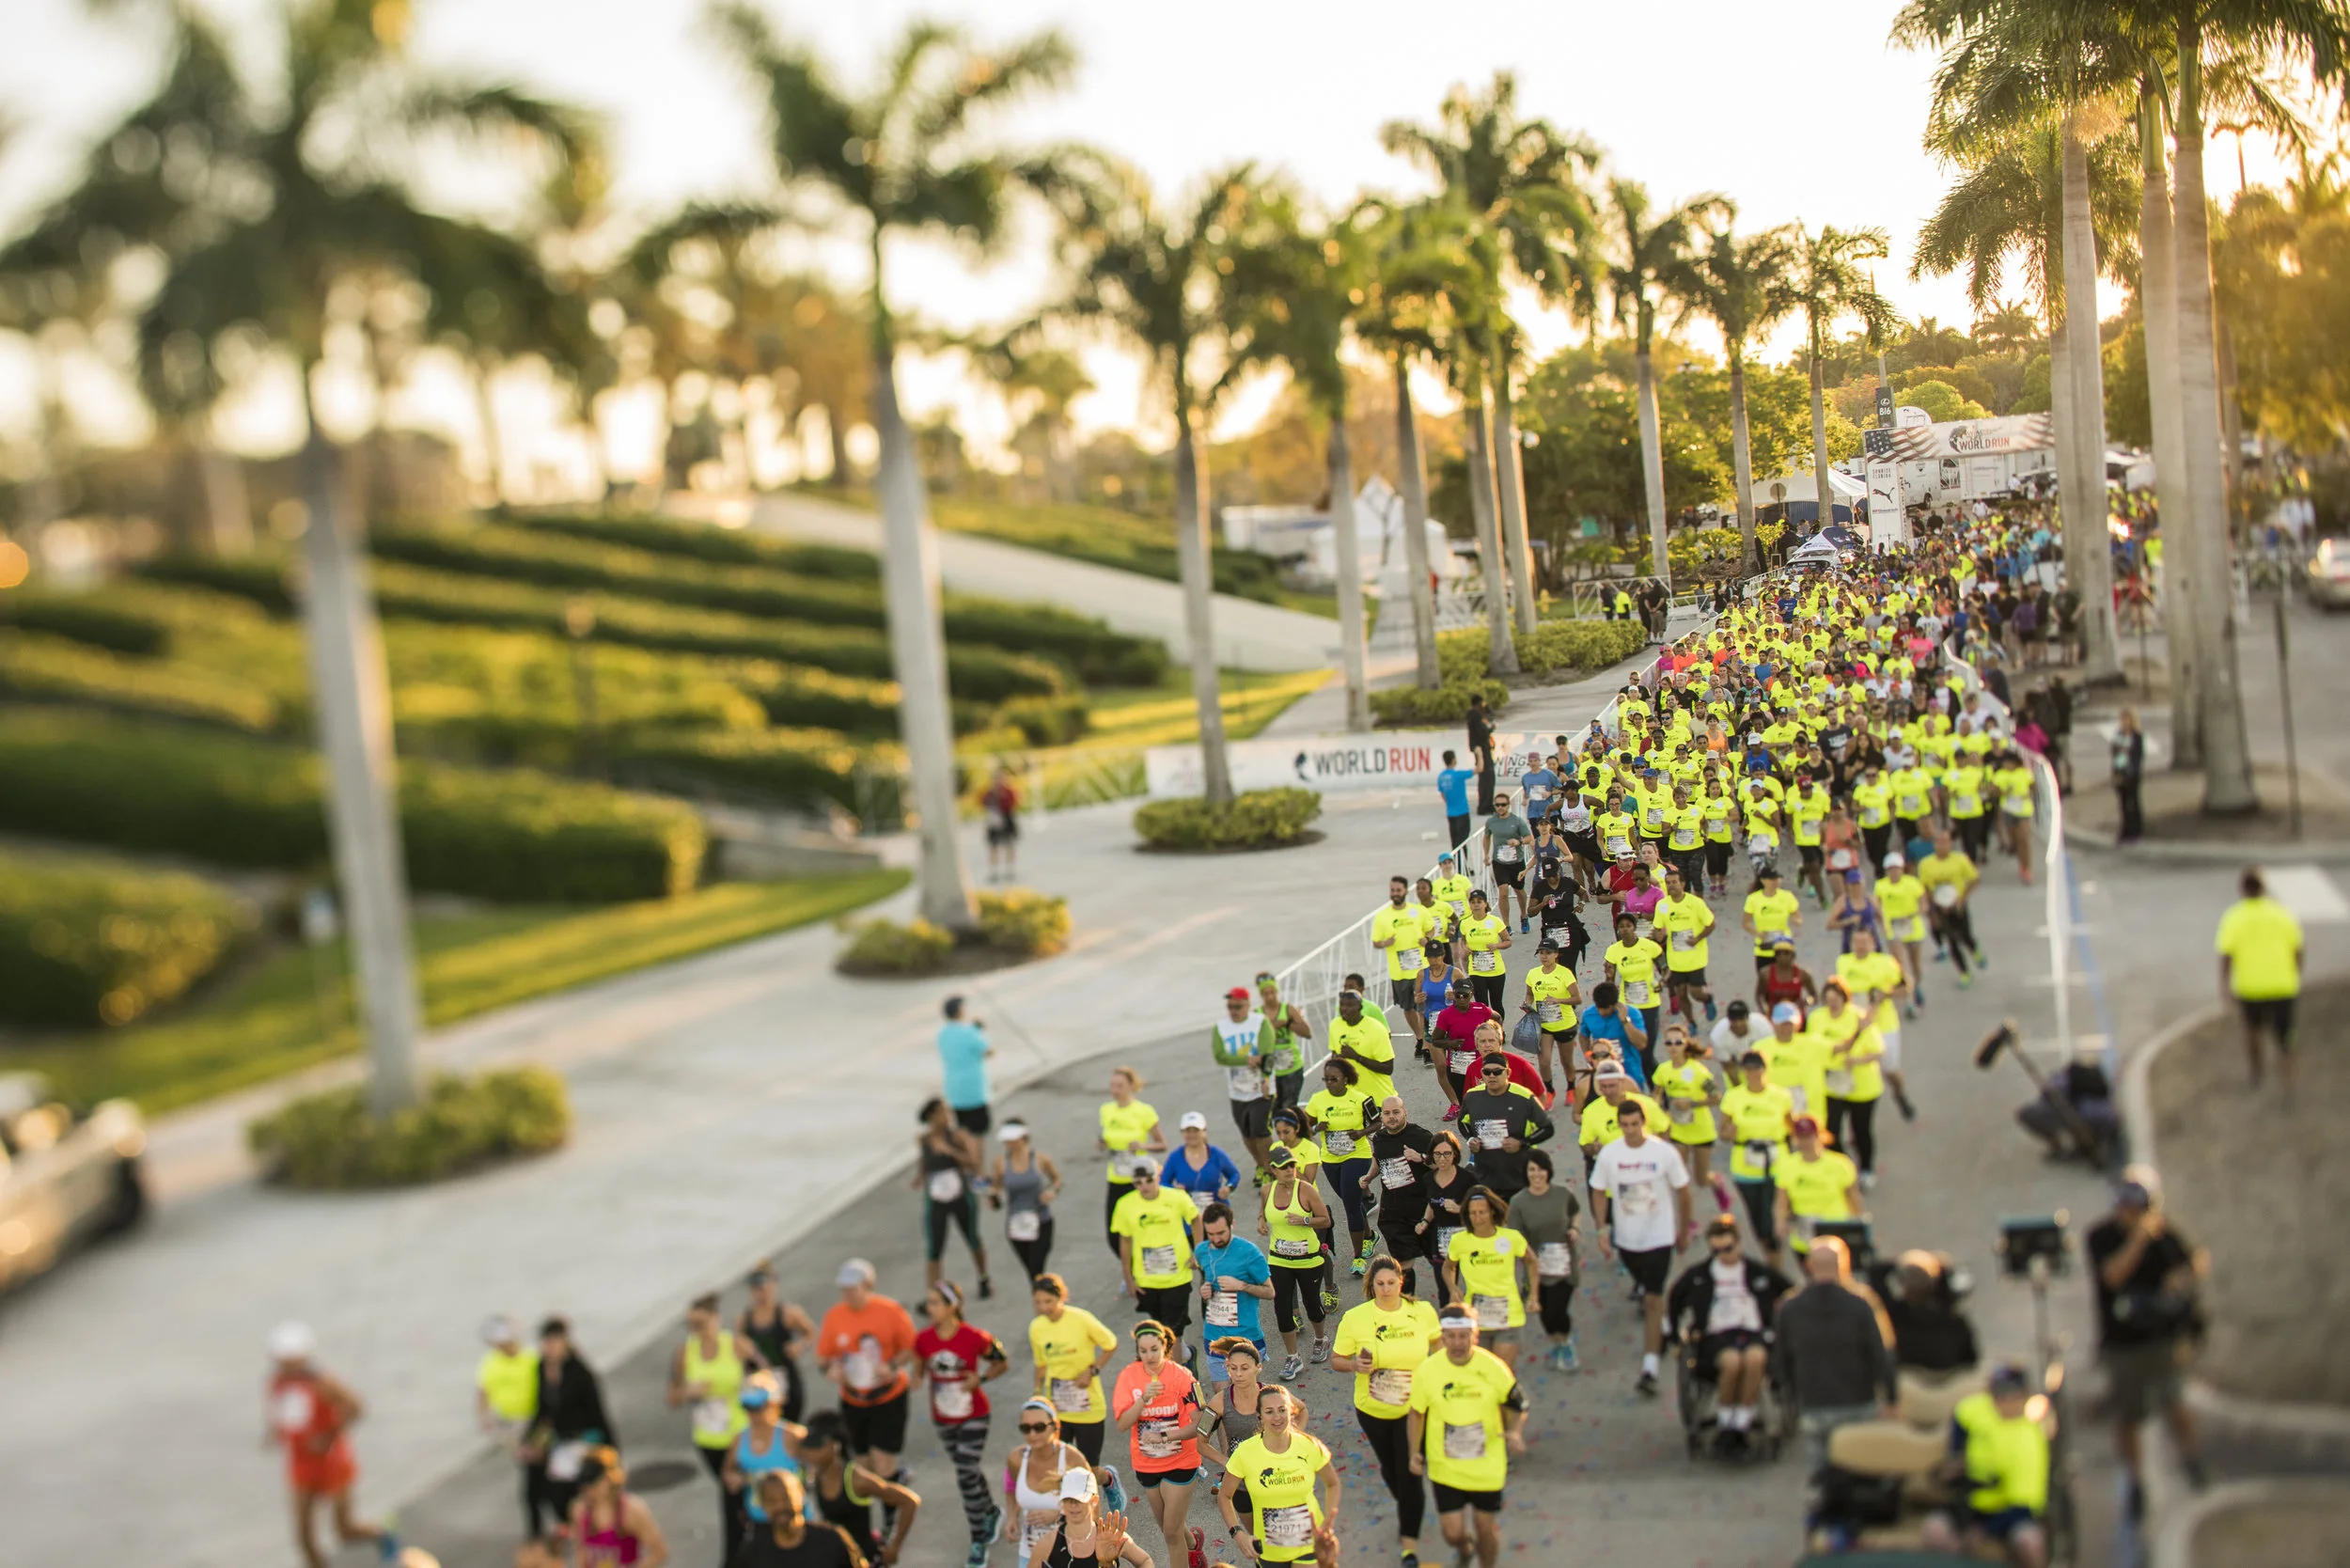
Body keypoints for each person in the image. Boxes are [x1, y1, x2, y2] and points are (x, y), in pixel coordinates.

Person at [2087, 1168, 2209, 1518]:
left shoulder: (2165, 1235)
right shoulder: (2102, 1237)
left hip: (2160, 1339)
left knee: (2175, 1401)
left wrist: (2179, 1281)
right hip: (2122, 1343)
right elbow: (2112, 1276)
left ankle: (2191, 1458)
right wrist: (2139, 1240)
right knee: (2128, 1414)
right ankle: (2135, 1480)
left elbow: (2194, 1261)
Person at [1327, 1255, 1442, 1561]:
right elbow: (1337, 1359)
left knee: (1410, 1470)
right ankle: (1408, 1502)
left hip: (1415, 1410)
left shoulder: (1422, 1312)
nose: (1386, 1288)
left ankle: (1410, 1546)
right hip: (1373, 1410)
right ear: (1371, 1285)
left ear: (1401, 1281)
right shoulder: (1356, 1318)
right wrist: (1355, 1364)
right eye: (1380, 1283)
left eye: (1392, 1282)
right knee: (1392, 1469)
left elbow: (1439, 1348)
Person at [263, 1321, 400, 1568]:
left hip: (332, 1462)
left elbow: (357, 1408)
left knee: (344, 1530)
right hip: (301, 1464)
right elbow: (280, 1413)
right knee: (304, 1535)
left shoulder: (322, 1382)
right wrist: (275, 1432)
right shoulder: (277, 1383)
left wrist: (328, 1436)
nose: (286, 1367)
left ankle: (382, 1535)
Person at [1404, 1305, 1528, 1568]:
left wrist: (1515, 1432)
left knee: (1486, 1528)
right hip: (1445, 1466)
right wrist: (1415, 1452)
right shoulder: (1428, 1370)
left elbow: (1518, 1405)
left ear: (1475, 1335)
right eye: (1451, 1336)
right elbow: (1416, 1413)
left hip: (1486, 1464)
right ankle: (1464, 1547)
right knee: (1452, 1533)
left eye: (1463, 1336)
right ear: (1443, 1337)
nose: (1457, 1343)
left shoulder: (1494, 1368)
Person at [1587, 1100, 1694, 1395]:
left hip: (1659, 1237)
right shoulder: (1610, 1154)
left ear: (1643, 1123)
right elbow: (1597, 1190)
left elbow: (1683, 1193)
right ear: (1620, 1125)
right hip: (1628, 1241)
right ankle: (1667, 1324)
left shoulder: (1663, 1152)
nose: (1631, 1131)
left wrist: (1683, 1232)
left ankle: (1650, 1368)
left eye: (1636, 1124)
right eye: (1626, 1125)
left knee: (1651, 1298)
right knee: (1647, 1289)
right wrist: (1601, 1229)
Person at [1664, 1215, 1794, 1455]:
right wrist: (1673, 1338)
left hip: (1753, 1332)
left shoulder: (1757, 1272)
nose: (1722, 1255)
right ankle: (1727, 1423)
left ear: (1738, 1244)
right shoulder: (1699, 1275)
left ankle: (1741, 1423)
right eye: (1716, 1251)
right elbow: (1674, 1301)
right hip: (1716, 1336)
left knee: (1755, 1359)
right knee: (1732, 1362)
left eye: (1727, 1248)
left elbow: (1791, 1293)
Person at [1772, 1235, 1897, 1474]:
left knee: (1823, 1471)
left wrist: (1787, 1392)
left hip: (1814, 1403)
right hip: (1858, 1402)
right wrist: (1891, 1397)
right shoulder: (1861, 1304)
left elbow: (1781, 1358)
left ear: (1809, 1265)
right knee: (1858, 1468)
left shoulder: (1790, 1307)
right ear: (1845, 1264)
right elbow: (1880, 1352)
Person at [1919, 1364, 2053, 1568]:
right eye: (1997, 1394)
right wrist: (1955, 1461)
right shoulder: (1975, 1410)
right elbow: (1961, 1420)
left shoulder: (2030, 1436)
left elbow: (2025, 1505)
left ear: (2023, 1396)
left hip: (2009, 1513)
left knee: (2030, 1542)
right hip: (1969, 1504)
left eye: (2009, 1395)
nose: (2001, 1401)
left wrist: (1985, 1530)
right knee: (1934, 1530)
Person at [916, 1280, 1010, 1567]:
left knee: (965, 1471)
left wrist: (980, 1378)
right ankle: (991, 1511)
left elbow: (1001, 1361)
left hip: (974, 1414)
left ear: (951, 1306)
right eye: (929, 1302)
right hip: (943, 1417)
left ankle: (978, 1538)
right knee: (968, 1471)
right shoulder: (923, 1339)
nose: (929, 1308)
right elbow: (918, 1369)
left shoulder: (974, 1337)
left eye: (935, 1303)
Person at [813, 1261, 916, 1515]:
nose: (847, 1295)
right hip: (853, 1401)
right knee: (862, 1464)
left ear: (868, 1286)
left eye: (853, 1288)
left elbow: (910, 1347)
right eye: (844, 1289)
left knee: (883, 1461)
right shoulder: (836, 1316)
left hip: (888, 1397)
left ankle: (892, 1514)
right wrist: (830, 1371)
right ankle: (870, 1512)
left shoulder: (889, 1311)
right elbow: (823, 1356)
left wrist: (891, 1366)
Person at [671, 1291, 768, 1548]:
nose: (696, 1331)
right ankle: (750, 1544)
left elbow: (768, 1377)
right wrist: (686, 1392)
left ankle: (743, 1550)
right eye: (691, 1326)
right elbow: (672, 1397)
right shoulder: (685, 1353)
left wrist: (751, 1391)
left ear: (716, 1320)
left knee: (736, 1494)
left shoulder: (736, 1345)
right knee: (734, 1493)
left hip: (739, 1434)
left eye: (700, 1324)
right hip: (708, 1438)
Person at [1111, 1321, 1205, 1568]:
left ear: (1165, 1345)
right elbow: (1121, 1424)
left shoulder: (1182, 1376)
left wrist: (1166, 1437)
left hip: (1181, 1461)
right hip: (1146, 1464)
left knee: (1171, 1534)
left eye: (1154, 1349)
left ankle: (1188, 1556)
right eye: (1143, 1351)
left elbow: (1201, 1425)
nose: (1149, 1356)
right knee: (1166, 1524)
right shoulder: (1128, 1377)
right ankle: (1193, 1546)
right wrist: (1144, 1398)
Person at [1214, 1384, 1340, 1566]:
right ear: (1259, 1415)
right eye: (1269, 1411)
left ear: (1291, 1411)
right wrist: (1238, 1533)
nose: (1277, 1417)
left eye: (1282, 1410)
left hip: (1310, 1542)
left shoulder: (1309, 1445)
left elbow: (1333, 1483)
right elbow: (1224, 1496)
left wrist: (1328, 1521)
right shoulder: (1245, 1452)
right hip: (1269, 1551)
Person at [522, 1315, 616, 1541]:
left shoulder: (580, 1374)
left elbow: (598, 1414)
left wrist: (610, 1449)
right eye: (546, 1343)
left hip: (582, 1438)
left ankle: (581, 1528)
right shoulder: (541, 1368)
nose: (550, 1348)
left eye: (554, 1343)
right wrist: (531, 1440)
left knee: (576, 1490)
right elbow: (541, 1410)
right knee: (539, 1485)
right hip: (557, 1439)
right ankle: (542, 1535)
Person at [2216, 866, 2305, 1087]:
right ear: (2265, 888)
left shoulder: (2233, 917)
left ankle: (2257, 1073)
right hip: (2283, 985)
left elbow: (2226, 955)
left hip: (2250, 986)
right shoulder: (2283, 914)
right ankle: (2288, 1076)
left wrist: (2224, 986)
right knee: (2285, 1035)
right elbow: (2298, 949)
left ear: (2242, 890)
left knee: (2252, 1030)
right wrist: (2295, 973)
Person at [796, 1410, 920, 1566]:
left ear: (836, 1446)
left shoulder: (857, 1480)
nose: (809, 1455)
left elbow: (909, 1501)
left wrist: (894, 1548)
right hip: (835, 1559)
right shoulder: (814, 1474)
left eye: (816, 1448)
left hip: (863, 1560)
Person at [1001, 1399, 1110, 1567]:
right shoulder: (1016, 1459)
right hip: (1029, 1553)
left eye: (1039, 1427)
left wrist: (1059, 1514)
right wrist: (1012, 1518)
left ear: (1055, 1425)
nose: (1032, 1434)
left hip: (1067, 1558)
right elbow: (1011, 1489)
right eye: (1026, 1428)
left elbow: (1093, 1509)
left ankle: (1110, 1479)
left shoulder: (1072, 1459)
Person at [1258, 1144, 1334, 1379]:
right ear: (1273, 1169)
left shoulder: (1307, 1190)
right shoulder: (1266, 1190)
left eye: (1291, 1165)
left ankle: (1321, 1339)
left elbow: (1326, 1221)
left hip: (1308, 1259)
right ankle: (1293, 1357)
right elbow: (1264, 1212)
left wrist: (1304, 1220)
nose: (1289, 1170)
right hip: (1279, 1259)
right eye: (1283, 1167)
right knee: (1282, 1310)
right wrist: (1261, 1221)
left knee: (1312, 1304)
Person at [1029, 1273, 1120, 1465]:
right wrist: (1038, 1397)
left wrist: (1092, 1370)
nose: (1044, 1307)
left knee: (1090, 1467)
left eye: (1049, 1301)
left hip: (1088, 1406)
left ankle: (1109, 1480)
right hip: (1058, 1408)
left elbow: (1110, 1344)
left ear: (1061, 1296)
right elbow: (1041, 1365)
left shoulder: (1081, 1319)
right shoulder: (1036, 1327)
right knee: (1060, 1465)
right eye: (1038, 1302)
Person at [1113, 1163, 1204, 1354]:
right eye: (1138, 1183)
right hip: (1148, 1279)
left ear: (1158, 1175)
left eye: (1149, 1180)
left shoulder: (1176, 1197)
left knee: (1173, 1334)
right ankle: (1186, 1357)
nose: (1144, 1186)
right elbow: (1125, 1240)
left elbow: (1196, 1219)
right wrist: (1128, 1278)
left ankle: (1179, 1380)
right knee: (1158, 1332)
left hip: (1177, 1276)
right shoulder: (1125, 1204)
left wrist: (1198, 1252)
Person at [1443, 1185, 1535, 1369]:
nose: (1477, 1218)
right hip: (1476, 1318)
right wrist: (1453, 1288)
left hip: (1508, 1317)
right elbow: (1448, 1267)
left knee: (1502, 1372)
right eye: (1473, 1213)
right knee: (1480, 1370)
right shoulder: (1460, 1241)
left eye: (1482, 1212)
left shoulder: (1510, 1238)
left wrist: (1534, 1294)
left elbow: (1531, 1261)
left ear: (1492, 1211)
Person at [1508, 1149, 1583, 1372]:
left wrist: (1575, 1229)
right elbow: (1515, 1235)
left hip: (1564, 1265)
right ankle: (1557, 1342)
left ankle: (1565, 1344)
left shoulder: (1561, 1194)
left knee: (1557, 1310)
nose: (1536, 1174)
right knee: (1544, 1313)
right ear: (1526, 1173)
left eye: (1540, 1169)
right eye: (1532, 1169)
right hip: (1537, 1267)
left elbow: (1576, 1211)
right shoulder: (1519, 1202)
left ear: (1548, 1171)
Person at [1718, 1050, 1794, 1262]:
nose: (1753, 1074)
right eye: (1749, 1069)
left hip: (1776, 1163)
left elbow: (1791, 1128)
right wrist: (1730, 1130)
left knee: (1771, 1220)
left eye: (1757, 1069)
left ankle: (1775, 1259)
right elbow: (1723, 1133)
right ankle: (1769, 1253)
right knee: (1757, 1220)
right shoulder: (1734, 1097)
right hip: (1746, 1165)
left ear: (1765, 1069)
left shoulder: (1780, 1095)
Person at [722, 1371, 807, 1552]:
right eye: (748, 1408)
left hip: (794, 1518)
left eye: (758, 1407)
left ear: (773, 1404)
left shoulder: (792, 1435)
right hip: (760, 1519)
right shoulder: (739, 1439)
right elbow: (727, 1471)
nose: (754, 1415)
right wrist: (733, 1479)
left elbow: (816, 1462)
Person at [1452, 1053, 1556, 1200]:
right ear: (1482, 1074)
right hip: (1485, 1176)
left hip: (1519, 1176)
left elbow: (1547, 1128)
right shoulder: (1472, 1097)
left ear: (1507, 1072)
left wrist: (1521, 1143)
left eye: (1497, 1071)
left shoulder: (1523, 1097)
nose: (1492, 1076)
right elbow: (1462, 1122)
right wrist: (1470, 1139)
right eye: (1487, 1072)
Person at [917, 1097, 994, 1294]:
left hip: (960, 1195)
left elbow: (972, 1162)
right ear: (932, 1117)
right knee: (934, 1246)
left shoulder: (957, 1136)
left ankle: (983, 1277)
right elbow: (924, 1163)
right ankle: (933, 1292)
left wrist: (950, 1151)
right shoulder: (924, 1140)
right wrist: (919, 1177)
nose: (947, 1116)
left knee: (972, 1238)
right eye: (942, 1113)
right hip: (936, 1197)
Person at [1191, 1202, 1273, 1384]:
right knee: (1223, 1399)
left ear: (1232, 1225)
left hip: (1246, 1337)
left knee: (1246, 1399)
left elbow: (1270, 1292)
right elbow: (1207, 1280)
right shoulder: (1202, 1251)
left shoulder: (1249, 1252)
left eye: (1221, 1233)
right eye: (1211, 1234)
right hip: (1214, 1336)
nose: (1216, 1239)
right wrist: (1205, 1290)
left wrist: (1242, 1286)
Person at [476, 1315, 541, 1540]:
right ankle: (537, 1529)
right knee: (531, 1473)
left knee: (543, 1472)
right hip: (511, 1425)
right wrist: (484, 1417)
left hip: (535, 1421)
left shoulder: (531, 1358)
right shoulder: (491, 1363)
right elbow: (483, 1392)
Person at [1367, 1096, 1439, 1297]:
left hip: (1424, 1212)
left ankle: (1450, 1303)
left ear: (1405, 1112)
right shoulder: (1380, 1138)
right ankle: (1407, 1308)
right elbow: (1379, 1161)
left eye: (1396, 1112)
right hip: (1394, 1213)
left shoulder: (1421, 1137)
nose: (1392, 1117)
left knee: (1440, 1261)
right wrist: (1368, 1177)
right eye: (1387, 1113)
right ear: (1382, 1115)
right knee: (1404, 1265)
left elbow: (1444, 1164)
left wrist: (1422, 1158)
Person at [1100, 1067, 1167, 1250]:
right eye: (1112, 1086)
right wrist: (1103, 1144)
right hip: (1115, 1178)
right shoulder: (1106, 1110)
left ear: (1131, 1086)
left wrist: (1143, 1146)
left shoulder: (1144, 1111)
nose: (1115, 1090)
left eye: (1120, 1086)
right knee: (1114, 1232)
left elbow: (1162, 1144)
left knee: (1141, 1227)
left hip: (1139, 1179)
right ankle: (1131, 1269)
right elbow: (1106, 1140)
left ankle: (1139, 1272)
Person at [738, 1471, 864, 1568]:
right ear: (763, 1506)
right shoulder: (754, 1552)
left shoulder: (833, 1540)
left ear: (801, 1494)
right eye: (772, 1501)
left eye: (786, 1497)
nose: (780, 1506)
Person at [568, 1448, 668, 1568]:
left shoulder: (632, 1510)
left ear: (610, 1479)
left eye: (593, 1484)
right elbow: (581, 1550)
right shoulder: (579, 1509)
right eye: (584, 1486)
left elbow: (660, 1552)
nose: (588, 1491)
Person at [740, 1268, 816, 1424]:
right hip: (758, 1380)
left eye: (764, 1288)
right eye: (757, 1290)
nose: (761, 1294)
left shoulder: (788, 1313)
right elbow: (739, 1345)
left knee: (789, 1423)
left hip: (785, 1377)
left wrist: (798, 1346)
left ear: (773, 1286)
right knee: (763, 1424)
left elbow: (811, 1333)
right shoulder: (744, 1319)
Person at [994, 1122, 1063, 1286]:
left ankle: (1046, 1301)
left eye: (1012, 1140)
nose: (1008, 1144)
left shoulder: (1040, 1159)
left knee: (1036, 1268)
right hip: (1016, 1223)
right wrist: (994, 1197)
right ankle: (1044, 1301)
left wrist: (1052, 1191)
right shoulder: (1000, 1163)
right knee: (1031, 1271)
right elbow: (996, 1187)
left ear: (1022, 1138)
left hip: (1041, 1220)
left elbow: (1057, 1180)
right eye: (1006, 1141)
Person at [1371, 875, 1435, 1051]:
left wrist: (1427, 939)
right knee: (1408, 1009)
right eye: (1392, 890)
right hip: (1399, 972)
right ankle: (1420, 1037)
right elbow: (1376, 942)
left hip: (1420, 970)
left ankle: (1428, 1044)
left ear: (1406, 891)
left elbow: (1431, 928)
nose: (1395, 893)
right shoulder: (1383, 916)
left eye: (1398, 890)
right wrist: (1385, 943)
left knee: (1423, 1008)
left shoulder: (1418, 911)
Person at [1917, 827, 1982, 986]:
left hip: (1958, 904)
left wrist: (1961, 899)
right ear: (1934, 845)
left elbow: (1974, 880)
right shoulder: (1926, 864)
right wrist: (1932, 905)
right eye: (1939, 842)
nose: (1943, 846)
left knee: (1965, 935)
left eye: (1946, 842)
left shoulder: (1960, 860)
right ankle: (1965, 973)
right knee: (1952, 940)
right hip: (1940, 908)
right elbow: (1924, 887)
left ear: (1951, 844)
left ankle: (1974, 951)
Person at [937, 996, 994, 1136]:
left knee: (963, 1131)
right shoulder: (969, 1032)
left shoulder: (942, 1034)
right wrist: (980, 1030)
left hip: (954, 1090)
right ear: (960, 1011)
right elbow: (989, 1052)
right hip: (973, 1090)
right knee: (978, 1132)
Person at [1484, 790, 1533, 933]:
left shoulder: (1516, 821)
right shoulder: (1491, 821)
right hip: (1499, 862)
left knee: (1519, 890)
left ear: (1508, 805)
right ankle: (1506, 925)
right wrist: (1485, 855)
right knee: (1503, 891)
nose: (1500, 807)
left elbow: (1528, 838)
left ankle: (1524, 916)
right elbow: (1486, 837)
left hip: (1516, 861)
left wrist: (1518, 841)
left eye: (1503, 805)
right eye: (1497, 805)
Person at [2110, 707, 2146, 843]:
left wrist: (2132, 770)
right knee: (2123, 803)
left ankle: (2136, 830)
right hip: (2120, 772)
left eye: (2127, 719)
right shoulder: (2119, 735)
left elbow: (2138, 756)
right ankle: (2125, 829)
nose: (2124, 722)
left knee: (2134, 802)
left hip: (2132, 774)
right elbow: (2114, 752)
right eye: (2122, 719)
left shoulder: (2137, 736)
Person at [1437, 749, 1476, 849]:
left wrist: (1451, 804)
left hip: (1450, 813)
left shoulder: (1441, 777)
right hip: (1462, 811)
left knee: (1455, 842)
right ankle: (1462, 864)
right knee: (1463, 842)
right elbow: (1479, 769)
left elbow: (1442, 794)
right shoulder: (1458, 775)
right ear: (1454, 760)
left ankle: (1457, 863)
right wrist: (1479, 754)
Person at [1466, 693, 1496, 814]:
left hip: (1482, 748)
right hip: (1482, 750)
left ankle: (1487, 804)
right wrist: (1491, 727)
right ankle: (1484, 806)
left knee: (1488, 778)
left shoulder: (1475, 714)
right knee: (1486, 778)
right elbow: (1482, 731)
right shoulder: (1475, 714)